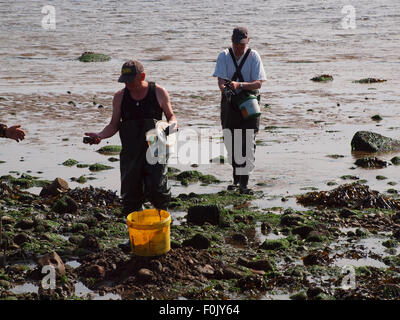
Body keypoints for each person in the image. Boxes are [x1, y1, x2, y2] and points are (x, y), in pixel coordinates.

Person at [85, 60, 177, 216]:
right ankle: (133, 234)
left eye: (130, 80)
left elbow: (171, 116)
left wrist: (172, 127)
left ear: (142, 76)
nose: (127, 84)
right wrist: (100, 135)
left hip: (156, 150)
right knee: (131, 194)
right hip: (131, 153)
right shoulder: (120, 97)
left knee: (158, 189)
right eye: (124, 81)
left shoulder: (158, 92)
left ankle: (163, 227)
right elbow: (114, 125)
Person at [213, 26, 266, 194]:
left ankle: (244, 183)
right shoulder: (224, 55)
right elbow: (221, 81)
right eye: (236, 44)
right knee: (231, 141)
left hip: (249, 102)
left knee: (247, 143)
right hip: (229, 103)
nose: (239, 47)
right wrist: (225, 89)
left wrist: (240, 85)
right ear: (232, 41)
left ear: (248, 41)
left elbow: (258, 83)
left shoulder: (254, 56)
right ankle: (236, 178)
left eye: (242, 44)